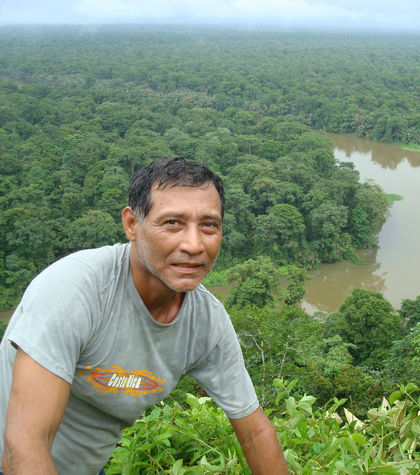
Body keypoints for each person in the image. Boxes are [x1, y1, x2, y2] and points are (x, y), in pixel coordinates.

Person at [0, 157, 288, 474]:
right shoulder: (75, 289)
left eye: (209, 225)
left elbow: (255, 431)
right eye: (172, 223)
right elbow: (23, 444)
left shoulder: (206, 322)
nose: (194, 245)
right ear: (132, 225)